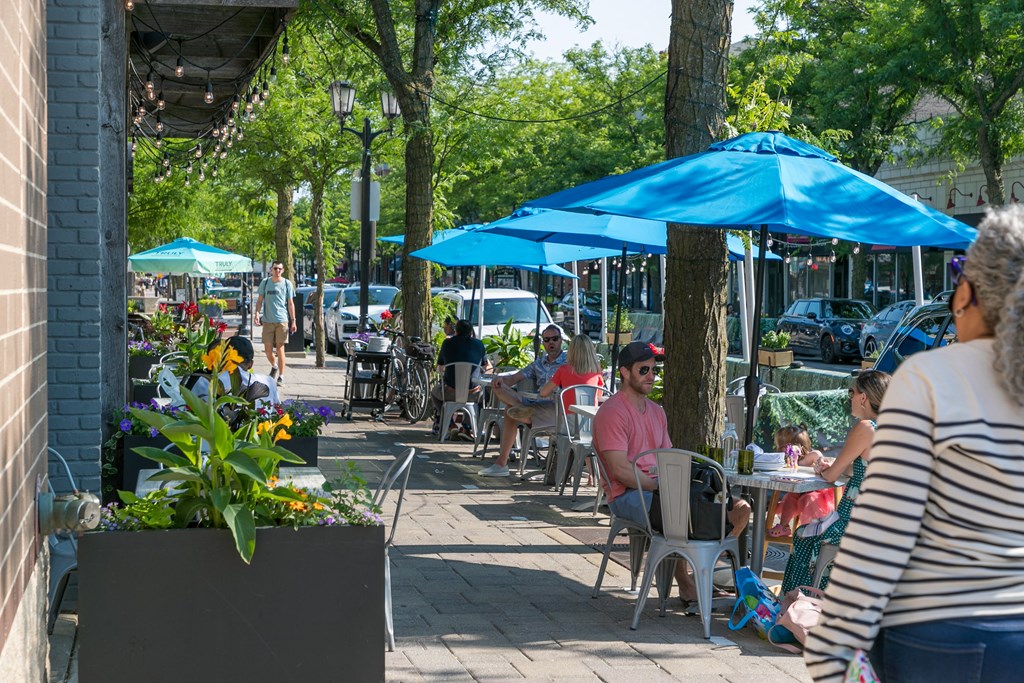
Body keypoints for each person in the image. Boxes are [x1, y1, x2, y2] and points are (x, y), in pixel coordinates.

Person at [805, 208, 1024, 682]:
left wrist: (832, 645)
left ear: (968, 293)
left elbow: (885, 525)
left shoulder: (934, 379)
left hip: (939, 626)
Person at [592, 341, 750, 605]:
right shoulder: (612, 412)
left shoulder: (657, 411)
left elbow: (669, 457)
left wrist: (681, 483)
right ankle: (691, 581)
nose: (651, 376)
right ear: (624, 372)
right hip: (629, 495)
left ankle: (704, 569)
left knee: (741, 508)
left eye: (654, 370)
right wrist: (663, 487)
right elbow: (620, 471)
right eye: (644, 370)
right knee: (685, 512)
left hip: (660, 491)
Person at [780, 369, 891, 593]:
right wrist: (839, 466)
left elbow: (832, 477)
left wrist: (825, 468)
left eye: (853, 391)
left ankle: (797, 603)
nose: (850, 397)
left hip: (856, 519)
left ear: (863, 398)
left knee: (803, 536)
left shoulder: (866, 428)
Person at [478, 324, 566, 477]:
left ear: (561, 340)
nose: (551, 342)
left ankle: (501, 464)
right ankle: (501, 463)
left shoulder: (568, 363)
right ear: (543, 342)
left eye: (555, 339)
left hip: (558, 410)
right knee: (500, 389)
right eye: (546, 339)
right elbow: (515, 377)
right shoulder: (539, 363)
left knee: (510, 411)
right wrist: (501, 380)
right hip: (538, 406)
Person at [767, 425, 835, 537]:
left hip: (817, 491)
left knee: (810, 499)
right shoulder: (787, 460)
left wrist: (818, 463)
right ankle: (784, 526)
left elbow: (820, 460)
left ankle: (815, 531)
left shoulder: (812, 455)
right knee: (790, 497)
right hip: (799, 491)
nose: (782, 451)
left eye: (784, 447)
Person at [186, 335, 279, 410]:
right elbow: (279, 410)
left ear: (222, 358)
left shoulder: (205, 381)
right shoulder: (269, 382)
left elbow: (187, 408)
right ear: (250, 364)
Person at [431, 319, 488, 440]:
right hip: (473, 394)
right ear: (471, 331)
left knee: (434, 392)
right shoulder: (479, 344)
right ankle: (467, 427)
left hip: (450, 393)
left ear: (456, 331)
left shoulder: (447, 343)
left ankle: (449, 423)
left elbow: (440, 365)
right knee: (486, 397)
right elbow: (484, 365)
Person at [538, 333, 604, 416]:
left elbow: (543, 392)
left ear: (571, 351)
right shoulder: (597, 372)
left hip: (568, 420)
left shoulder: (563, 370)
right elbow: (598, 395)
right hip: (590, 419)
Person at [253, 261, 296, 386]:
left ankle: (281, 376)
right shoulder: (265, 283)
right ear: (271, 269)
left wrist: (293, 321)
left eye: (279, 269)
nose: (277, 271)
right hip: (267, 320)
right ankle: (274, 365)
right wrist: (256, 313)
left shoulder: (287, 284)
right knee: (267, 349)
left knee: (280, 348)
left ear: (282, 270)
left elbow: (290, 303)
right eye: (275, 268)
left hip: (282, 320)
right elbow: (260, 301)